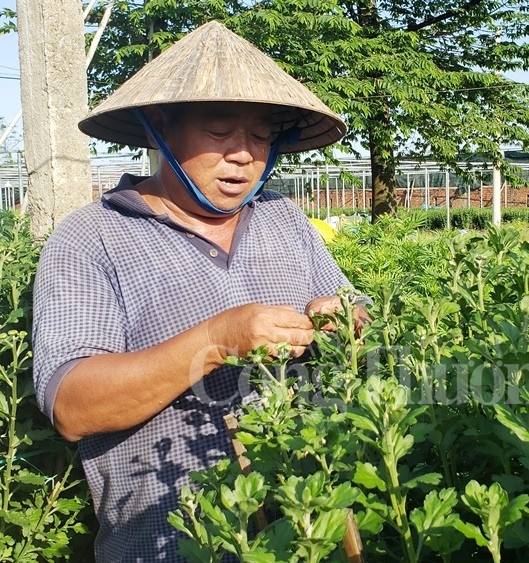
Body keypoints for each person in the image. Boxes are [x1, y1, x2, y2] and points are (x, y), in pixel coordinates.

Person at [32, 20, 366, 562]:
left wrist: (344, 316)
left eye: (261, 137)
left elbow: (354, 309)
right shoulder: (91, 236)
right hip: (170, 540)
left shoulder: (284, 218)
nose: (243, 155)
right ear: (160, 126)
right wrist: (217, 341)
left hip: (306, 527)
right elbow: (72, 405)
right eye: (219, 131)